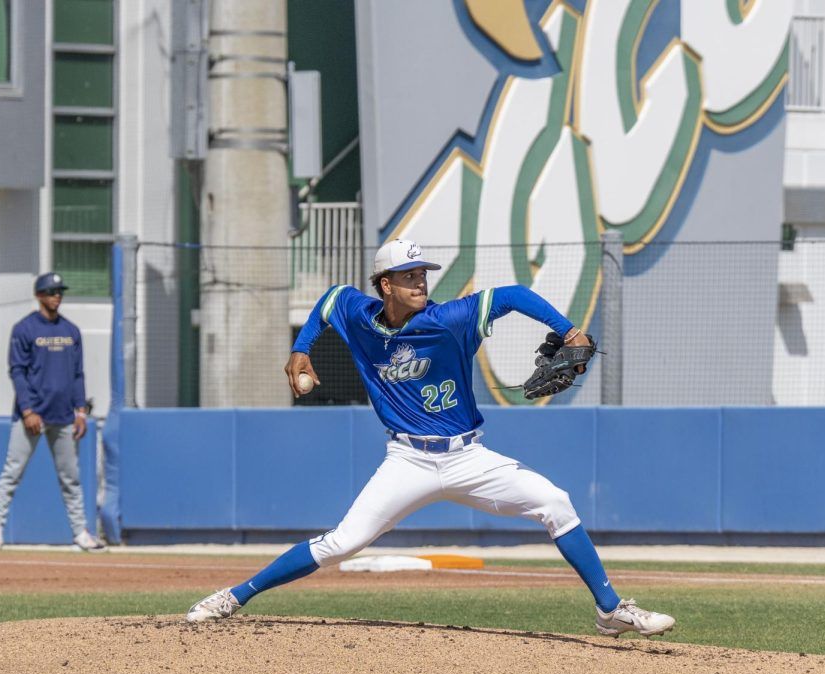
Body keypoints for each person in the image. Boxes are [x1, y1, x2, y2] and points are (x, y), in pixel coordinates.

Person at [187, 239, 674, 637]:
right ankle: (234, 596)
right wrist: (300, 348)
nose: (420, 281)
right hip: (407, 462)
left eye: (423, 273)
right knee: (341, 543)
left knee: (557, 502)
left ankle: (610, 610)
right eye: (408, 275)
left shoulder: (448, 320)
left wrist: (567, 332)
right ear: (385, 286)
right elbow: (330, 299)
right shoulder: (358, 315)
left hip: (468, 457)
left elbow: (511, 295)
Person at [0, 272, 106, 552]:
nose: (57, 296)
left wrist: (80, 411)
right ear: (39, 295)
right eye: (51, 292)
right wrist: (27, 410)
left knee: (71, 478)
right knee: (12, 471)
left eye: (59, 291)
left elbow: (77, 374)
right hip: (31, 416)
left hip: (64, 415)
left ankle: (80, 533)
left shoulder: (71, 330)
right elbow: (17, 371)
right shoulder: (25, 328)